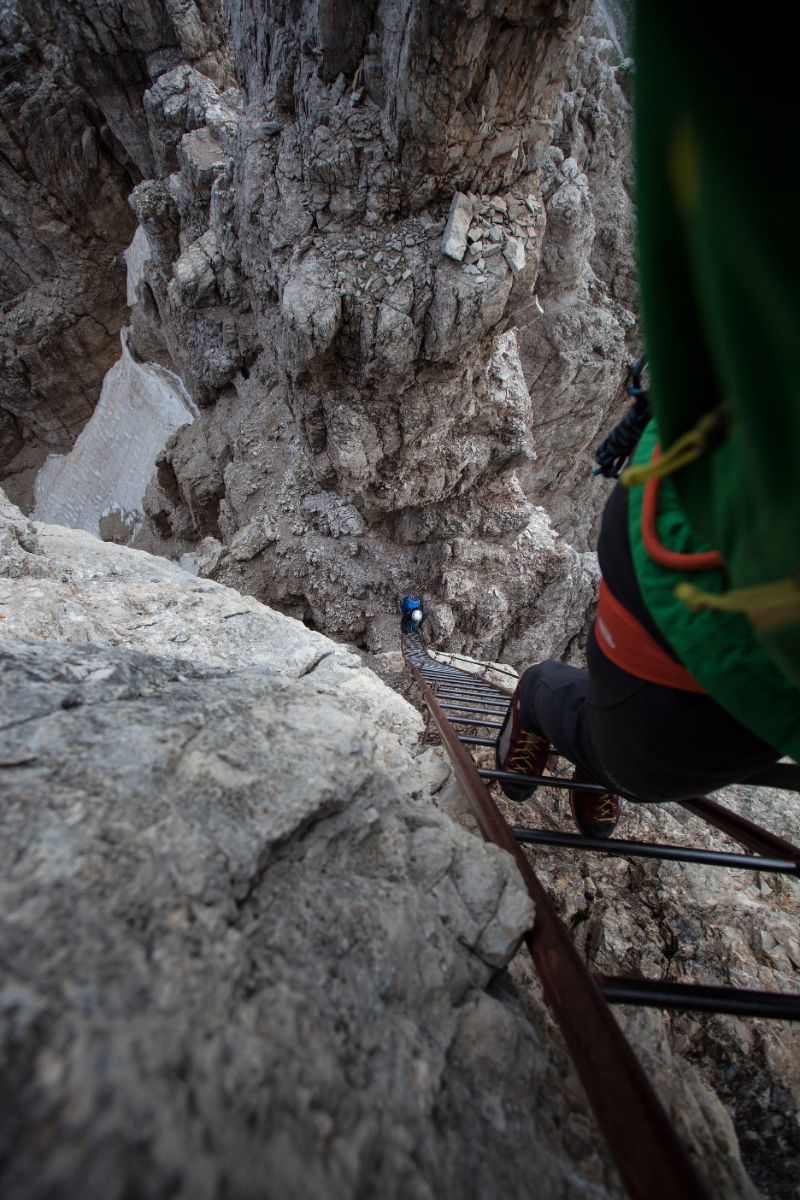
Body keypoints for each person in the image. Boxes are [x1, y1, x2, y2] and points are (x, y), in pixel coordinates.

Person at [497, 8, 800, 836]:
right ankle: (551, 706)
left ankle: (595, 747)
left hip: (732, 560)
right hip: (709, 557)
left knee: (655, 749)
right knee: (643, 760)